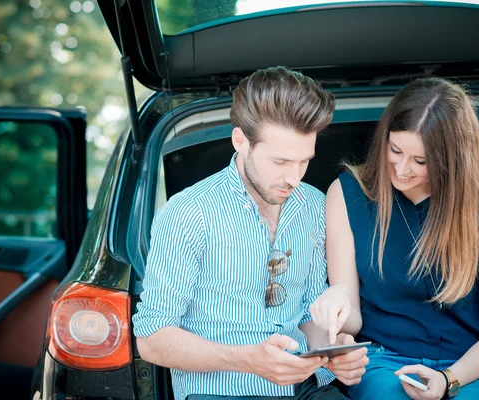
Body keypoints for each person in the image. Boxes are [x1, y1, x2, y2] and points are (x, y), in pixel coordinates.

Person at [132, 66, 369, 400]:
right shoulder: (188, 212)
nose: (295, 177)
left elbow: (307, 314)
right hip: (221, 394)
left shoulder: (314, 206)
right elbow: (153, 339)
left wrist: (334, 349)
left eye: (304, 161)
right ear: (240, 140)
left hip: (308, 389)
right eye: (281, 162)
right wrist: (248, 360)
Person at [309, 77, 479, 399]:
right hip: (381, 362)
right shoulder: (347, 194)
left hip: (466, 367)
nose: (402, 169)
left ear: (452, 162)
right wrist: (336, 305)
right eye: (395, 150)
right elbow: (352, 318)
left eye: (420, 161)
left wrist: (448, 379)